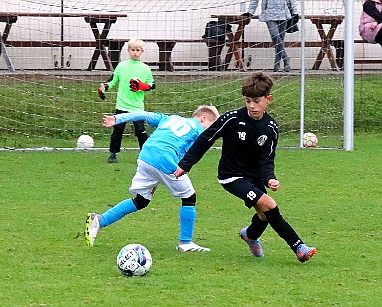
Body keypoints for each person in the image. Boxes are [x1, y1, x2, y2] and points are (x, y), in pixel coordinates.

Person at [174, 72, 316, 263]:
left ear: (268, 100)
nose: (251, 105)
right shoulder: (232, 118)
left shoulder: (271, 127)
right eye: (248, 100)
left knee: (264, 214)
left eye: (256, 101)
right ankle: (299, 247)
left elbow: (267, 159)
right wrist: (185, 164)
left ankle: (250, 234)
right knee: (270, 205)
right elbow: (206, 139)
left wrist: (269, 178)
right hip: (231, 176)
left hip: (254, 176)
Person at [85, 105, 220, 252]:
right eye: (211, 126)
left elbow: (144, 114)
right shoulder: (199, 130)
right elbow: (190, 153)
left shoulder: (170, 118)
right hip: (164, 158)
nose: (210, 130)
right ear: (203, 117)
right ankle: (185, 243)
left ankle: (99, 220)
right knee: (189, 197)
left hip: (145, 156)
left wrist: (117, 119)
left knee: (141, 200)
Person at [97, 38, 155, 163]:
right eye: (132, 50)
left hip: (137, 107)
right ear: (128, 51)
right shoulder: (122, 66)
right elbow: (112, 81)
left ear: (142, 52)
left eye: (138, 50)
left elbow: (152, 85)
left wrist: (142, 86)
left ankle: (146, 155)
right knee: (118, 129)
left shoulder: (145, 68)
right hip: (122, 105)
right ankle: (113, 154)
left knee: (140, 131)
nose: (135, 52)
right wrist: (104, 88)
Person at [243, 0, 299, 72]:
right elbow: (255, 1)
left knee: (280, 40)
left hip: (284, 14)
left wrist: (295, 12)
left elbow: (292, 1)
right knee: (274, 35)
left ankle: (277, 64)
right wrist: (250, 12)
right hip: (269, 14)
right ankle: (285, 58)